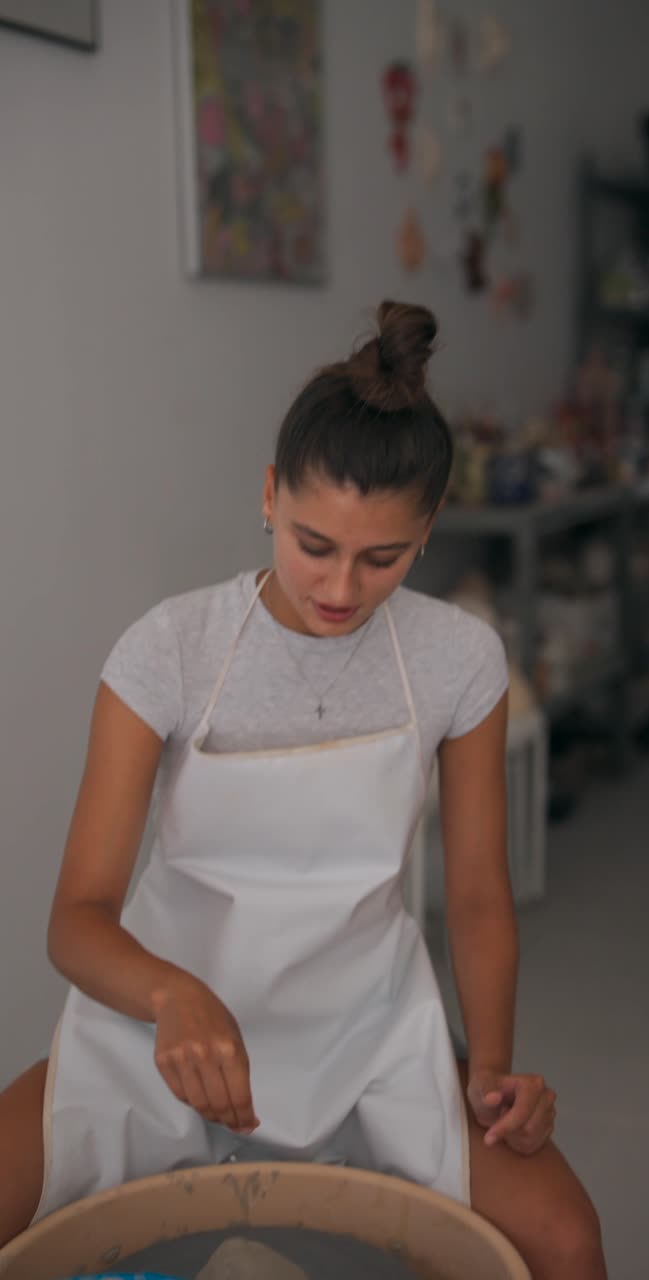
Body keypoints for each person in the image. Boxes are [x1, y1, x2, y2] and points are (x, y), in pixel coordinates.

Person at [0, 302, 607, 1279]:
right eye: (314, 543)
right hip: (159, 1033)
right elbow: (75, 918)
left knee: (565, 1240)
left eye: (383, 557)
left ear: (428, 530)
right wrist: (173, 993)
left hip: (364, 1039)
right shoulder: (170, 648)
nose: (340, 588)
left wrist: (491, 1067)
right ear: (270, 495)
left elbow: (484, 895)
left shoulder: (459, 658)